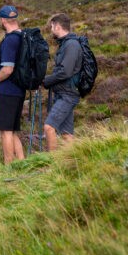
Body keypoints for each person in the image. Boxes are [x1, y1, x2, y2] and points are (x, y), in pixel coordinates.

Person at [0, 5, 25, 164]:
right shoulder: (23, 37)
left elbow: (8, 69)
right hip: (19, 89)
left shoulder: (10, 40)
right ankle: (22, 162)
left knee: (5, 131)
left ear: (3, 20)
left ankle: (9, 165)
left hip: (7, 90)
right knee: (13, 130)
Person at [42, 13, 82, 151]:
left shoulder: (71, 45)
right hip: (65, 92)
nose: (51, 30)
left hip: (68, 94)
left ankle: (52, 165)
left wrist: (46, 80)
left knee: (49, 127)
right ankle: (72, 163)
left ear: (58, 26)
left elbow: (66, 71)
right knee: (66, 134)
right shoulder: (67, 44)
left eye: (52, 26)